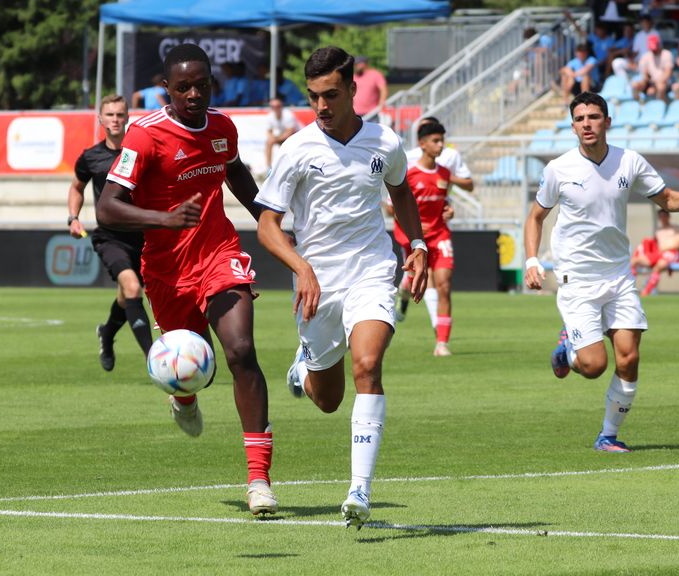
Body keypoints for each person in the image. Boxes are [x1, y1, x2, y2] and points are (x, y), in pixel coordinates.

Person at [96, 44, 277, 515]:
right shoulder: (145, 136)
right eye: (183, 87)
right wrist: (164, 218)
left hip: (219, 252)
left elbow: (235, 173)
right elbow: (107, 206)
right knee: (192, 370)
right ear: (167, 89)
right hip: (167, 271)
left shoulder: (222, 126)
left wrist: (267, 219)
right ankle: (184, 397)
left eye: (202, 84)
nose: (194, 94)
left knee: (240, 352)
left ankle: (259, 480)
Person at [256, 46, 428, 529]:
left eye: (331, 94)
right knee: (328, 399)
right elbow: (268, 226)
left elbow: (401, 193)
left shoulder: (385, 143)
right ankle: (303, 369)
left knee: (368, 365)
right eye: (313, 97)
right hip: (317, 288)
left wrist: (417, 243)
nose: (322, 106)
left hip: (372, 270)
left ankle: (359, 490)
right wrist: (300, 266)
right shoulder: (296, 149)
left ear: (354, 89)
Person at [524, 91, 679, 453]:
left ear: (607, 122)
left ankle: (607, 436)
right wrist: (532, 261)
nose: (586, 124)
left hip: (618, 276)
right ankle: (568, 352)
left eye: (593, 117)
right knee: (594, 365)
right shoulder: (558, 168)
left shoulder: (629, 162)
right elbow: (536, 217)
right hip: (576, 279)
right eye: (579, 119)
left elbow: (667, 199)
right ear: (573, 125)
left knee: (629, 356)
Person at [68, 95, 154, 371]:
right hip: (110, 237)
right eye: (110, 115)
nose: (115, 119)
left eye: (120, 114)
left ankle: (107, 332)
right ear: (101, 119)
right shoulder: (90, 157)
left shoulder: (140, 152)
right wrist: (73, 218)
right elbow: (76, 188)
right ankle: (154, 360)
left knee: (125, 296)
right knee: (132, 288)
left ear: (128, 118)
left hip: (144, 237)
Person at [396, 116, 473, 330]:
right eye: (434, 140)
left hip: (438, 229)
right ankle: (433, 322)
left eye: (441, 140)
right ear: (421, 141)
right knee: (420, 274)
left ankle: (440, 337)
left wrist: (446, 203)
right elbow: (395, 202)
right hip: (413, 231)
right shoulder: (407, 161)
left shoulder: (449, 160)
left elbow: (466, 184)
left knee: (441, 282)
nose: (439, 145)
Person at [636, 209, 679, 296]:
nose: (663, 218)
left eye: (665, 215)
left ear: (669, 216)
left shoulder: (676, 228)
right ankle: (629, 289)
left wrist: (665, 248)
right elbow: (655, 246)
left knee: (660, 264)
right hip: (660, 255)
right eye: (661, 216)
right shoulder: (658, 231)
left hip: (672, 254)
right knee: (635, 260)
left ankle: (646, 291)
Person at [263, 97, 301, 174]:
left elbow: (290, 132)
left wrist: (275, 139)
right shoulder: (270, 116)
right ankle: (268, 168)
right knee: (269, 142)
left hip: (297, 137)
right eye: (273, 107)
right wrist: (273, 138)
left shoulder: (288, 115)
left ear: (281, 106)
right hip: (284, 136)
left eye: (277, 106)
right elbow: (268, 132)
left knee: (284, 145)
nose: (275, 108)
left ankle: (292, 167)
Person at [632, 34, 674, 102]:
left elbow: (668, 73)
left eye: (655, 48)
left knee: (660, 87)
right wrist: (648, 81)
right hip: (650, 83)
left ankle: (660, 107)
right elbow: (645, 74)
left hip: (664, 83)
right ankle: (639, 105)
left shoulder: (666, 54)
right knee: (634, 85)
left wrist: (654, 87)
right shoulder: (646, 56)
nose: (653, 50)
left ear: (659, 45)